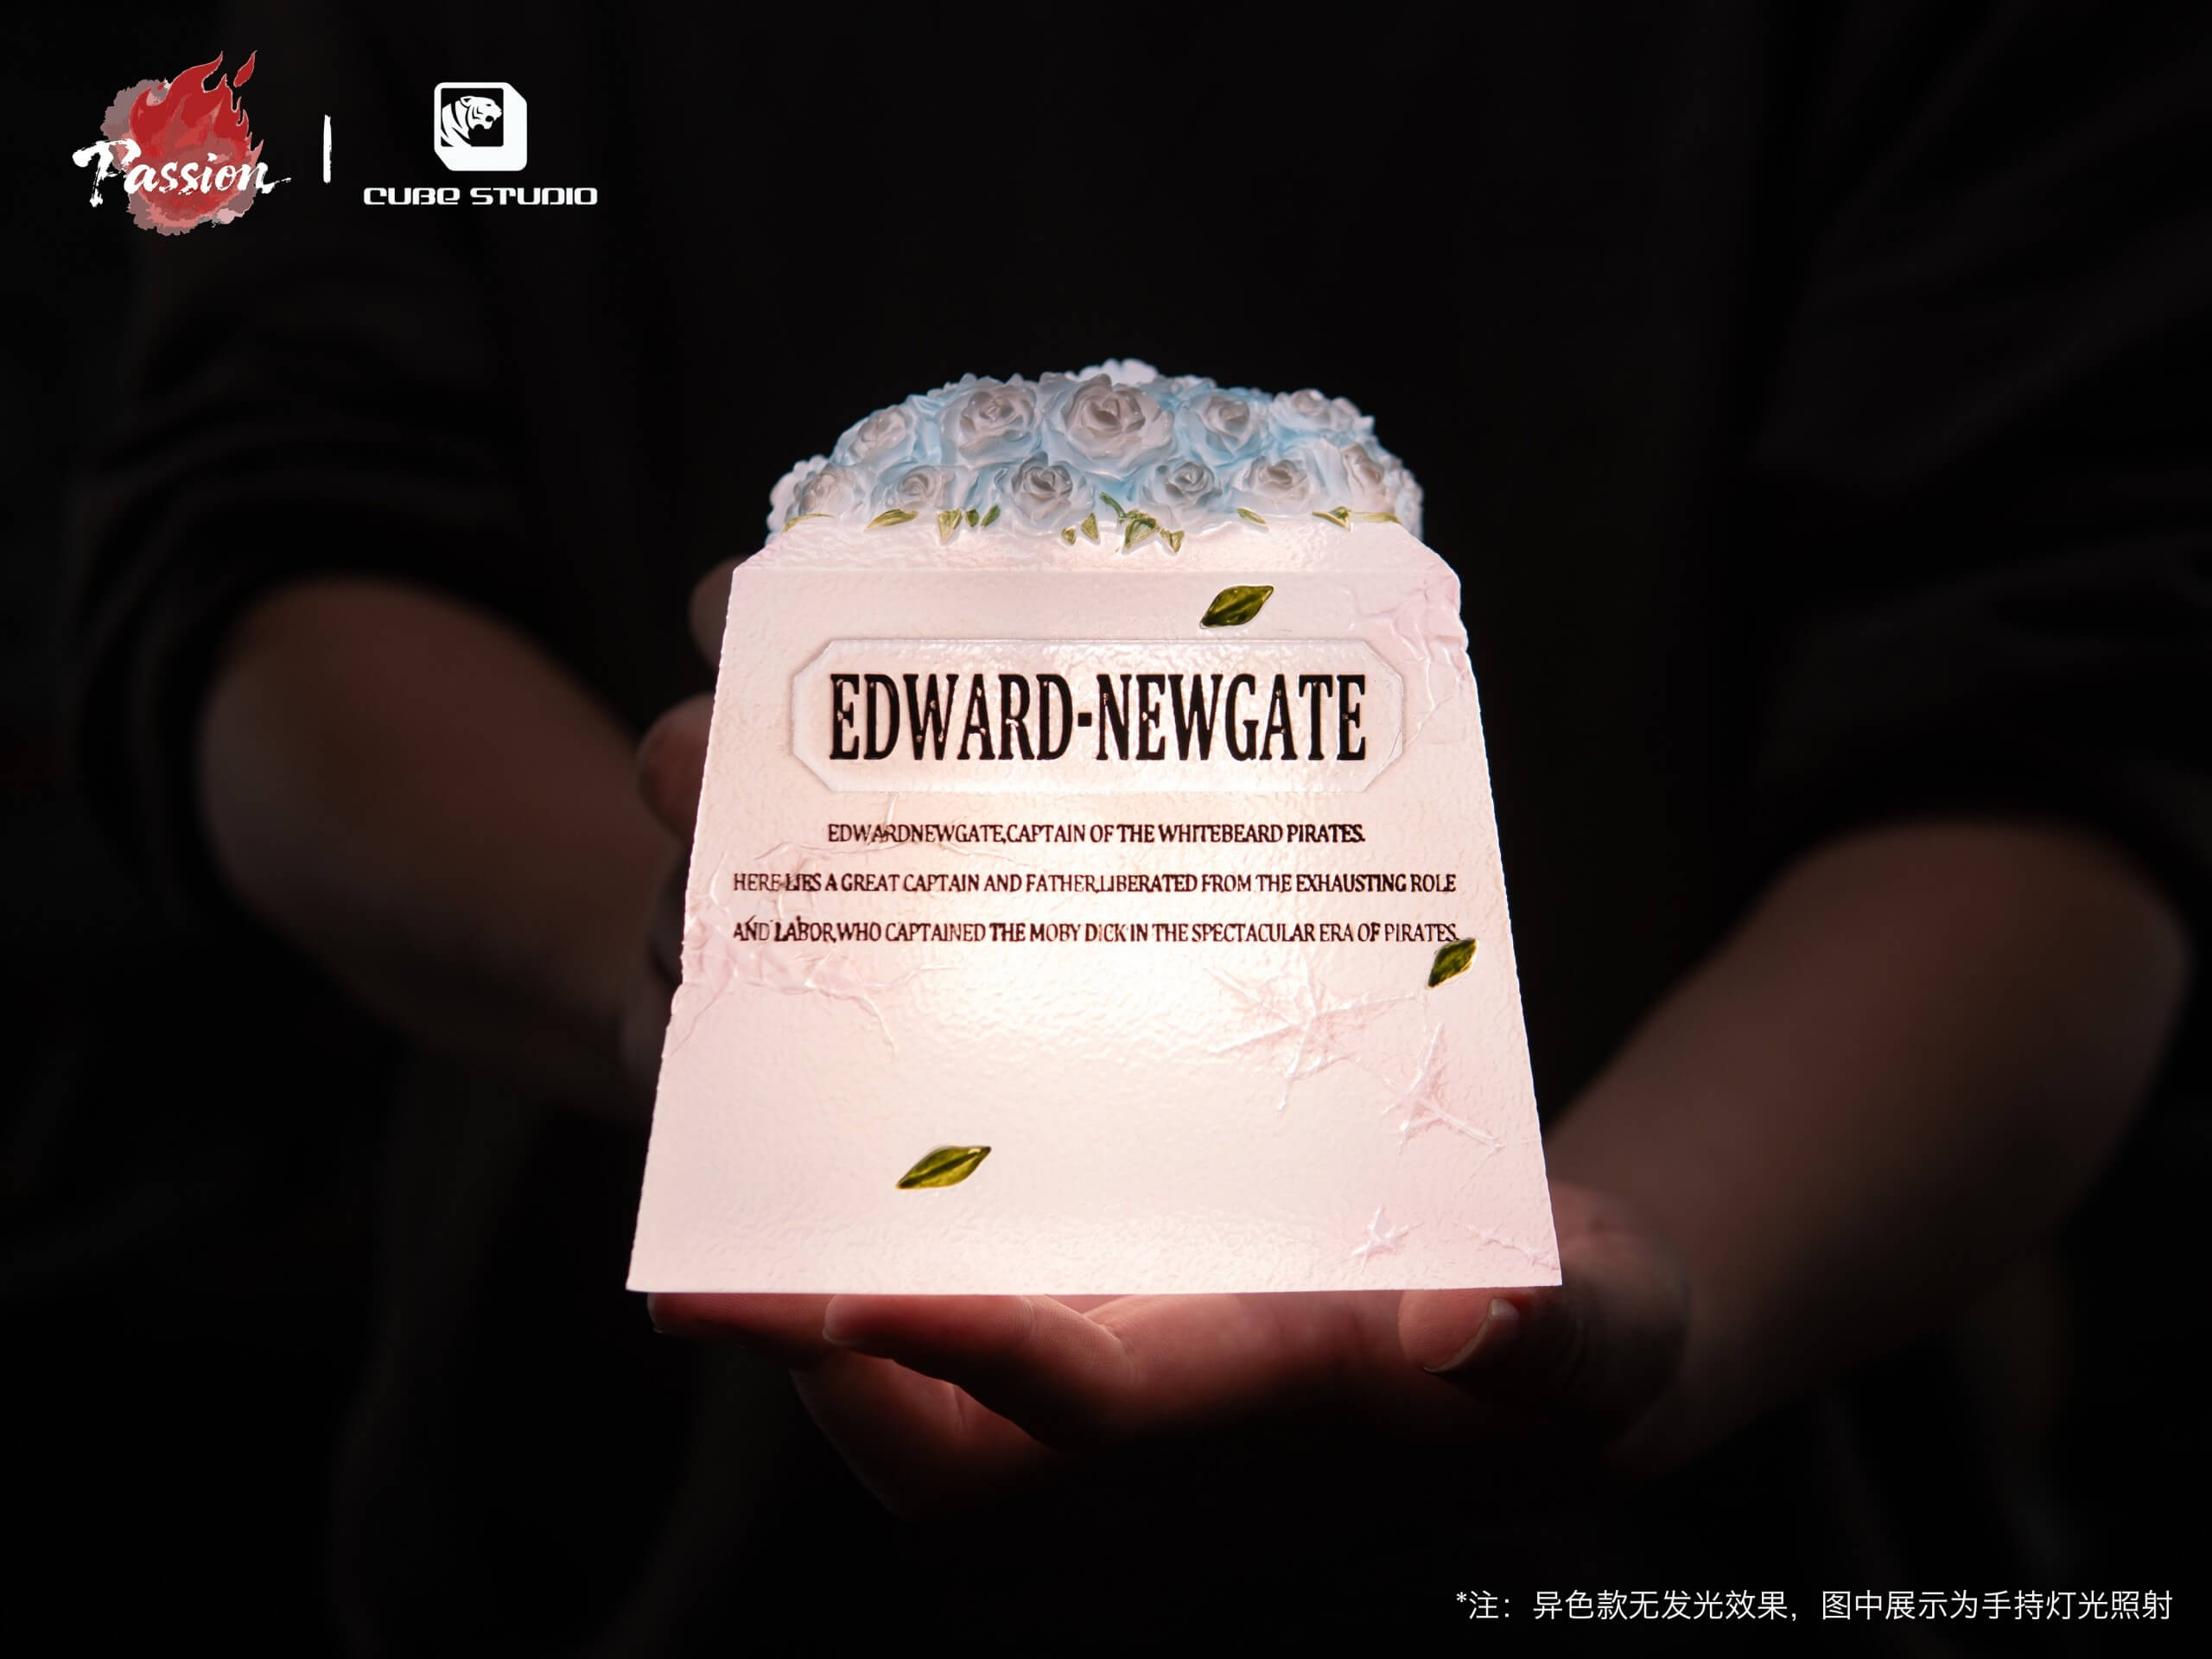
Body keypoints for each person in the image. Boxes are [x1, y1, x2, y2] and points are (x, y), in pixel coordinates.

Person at [66, 1, 2209, 1647]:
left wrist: (1652, 1243)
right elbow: (270, 546)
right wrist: (674, 973)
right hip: (622, 1537)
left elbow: (2054, 701)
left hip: (1715, 1512)